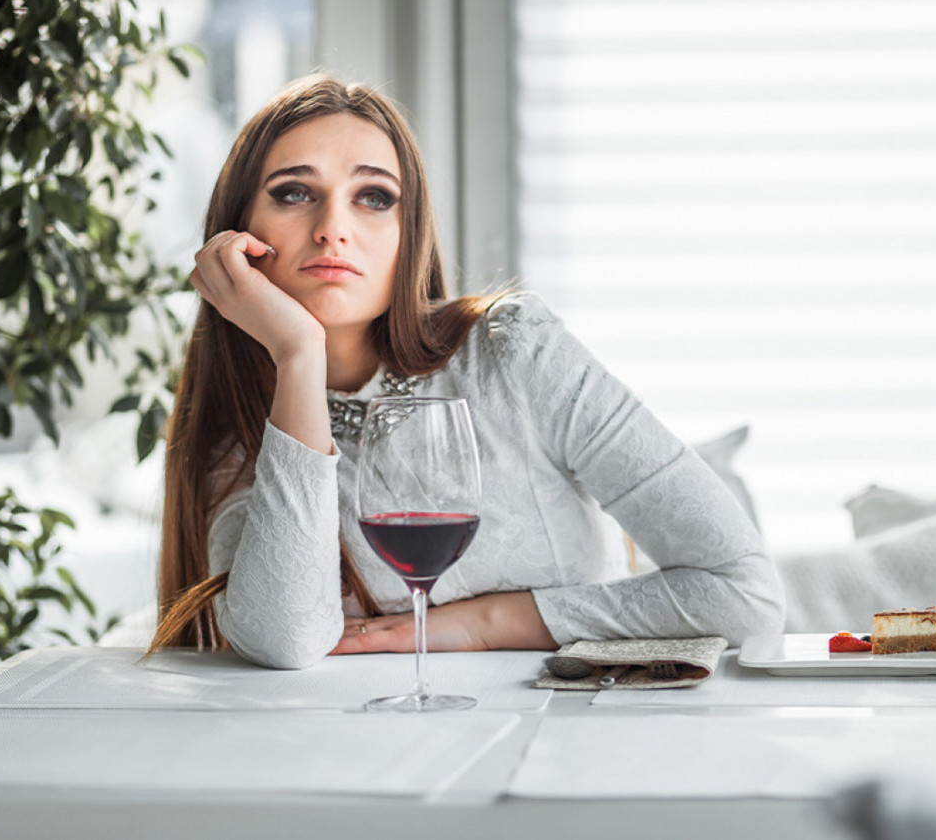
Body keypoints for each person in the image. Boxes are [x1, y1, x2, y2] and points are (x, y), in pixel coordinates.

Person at [150, 73, 784, 668]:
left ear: (409, 233)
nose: (332, 229)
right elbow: (286, 639)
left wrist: (478, 625)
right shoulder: (237, 426)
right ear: (238, 233)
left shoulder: (515, 351)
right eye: (294, 193)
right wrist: (297, 354)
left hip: (573, 735)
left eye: (373, 197)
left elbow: (746, 595)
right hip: (364, 760)